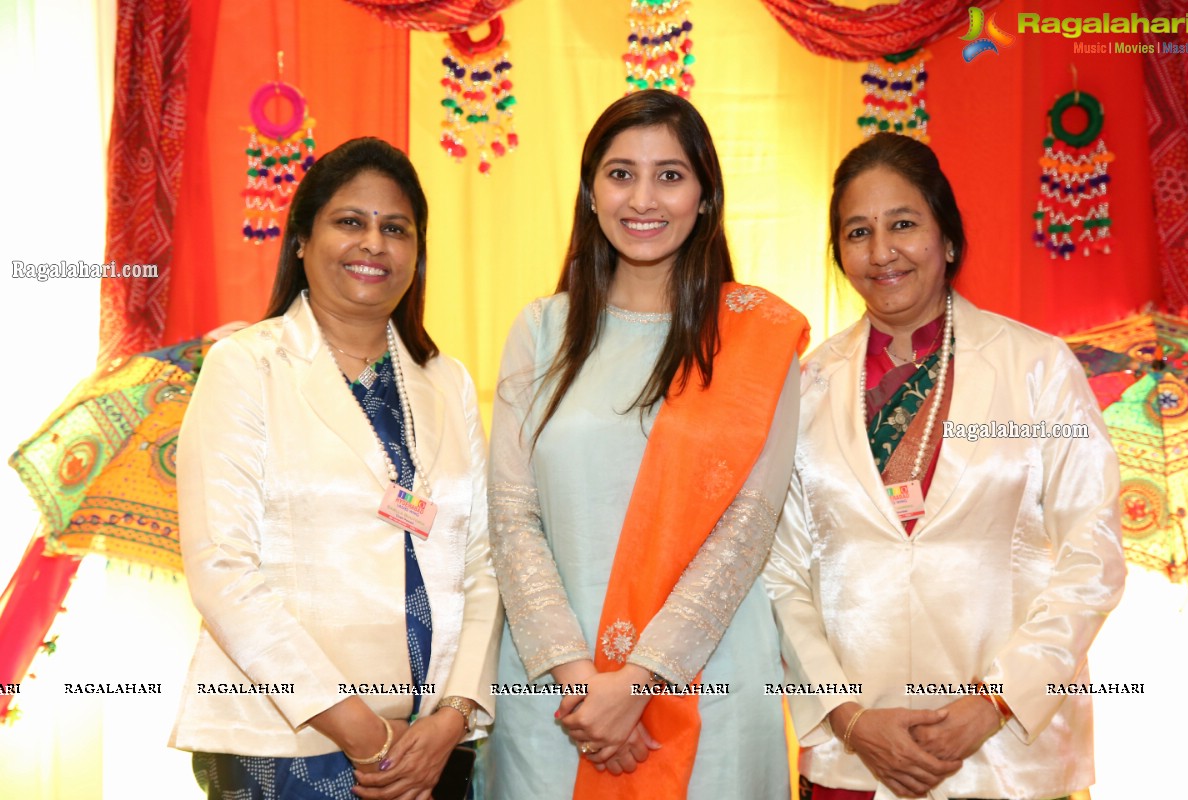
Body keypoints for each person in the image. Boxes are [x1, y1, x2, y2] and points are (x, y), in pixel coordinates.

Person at [765, 132, 1126, 800]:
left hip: (1008, 758)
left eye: (903, 224)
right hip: (857, 763)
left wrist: (997, 702)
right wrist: (848, 717)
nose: (882, 252)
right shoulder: (807, 387)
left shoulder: (1036, 368)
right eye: (858, 232)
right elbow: (780, 574)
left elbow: (1093, 554)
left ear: (948, 239)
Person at [483, 89, 810, 800]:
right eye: (620, 172)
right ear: (590, 192)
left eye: (670, 174)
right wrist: (583, 684)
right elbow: (511, 516)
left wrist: (639, 679)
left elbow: (748, 527)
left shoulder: (755, 336)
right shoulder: (542, 330)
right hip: (556, 699)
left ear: (705, 196)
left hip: (709, 683)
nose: (644, 198)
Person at [170, 137, 501, 800]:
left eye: (395, 228)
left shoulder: (447, 381)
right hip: (289, 742)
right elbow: (220, 569)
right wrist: (362, 732)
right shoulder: (247, 366)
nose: (373, 243)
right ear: (300, 240)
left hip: (432, 747)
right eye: (350, 221)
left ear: (417, 252)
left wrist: (454, 714)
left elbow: (483, 563)